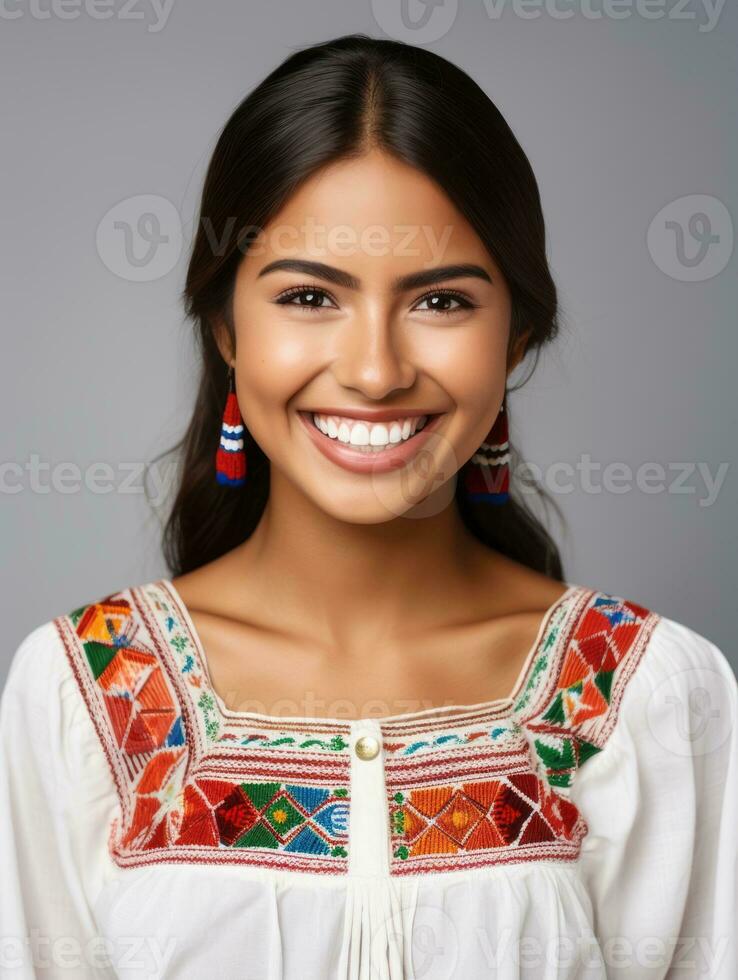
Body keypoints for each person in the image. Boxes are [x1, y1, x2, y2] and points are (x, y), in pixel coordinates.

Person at [1, 33, 735, 980]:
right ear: (226, 327)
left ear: (516, 338)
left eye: (440, 303)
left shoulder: (649, 698)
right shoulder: (81, 694)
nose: (377, 372)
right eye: (309, 295)